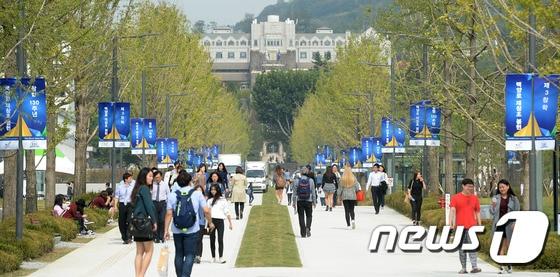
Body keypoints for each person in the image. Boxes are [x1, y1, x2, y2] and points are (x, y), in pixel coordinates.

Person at [164, 171, 214, 277]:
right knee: (190, 254)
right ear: (190, 182)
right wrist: (210, 222)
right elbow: (206, 211)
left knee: (179, 254)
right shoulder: (197, 194)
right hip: (192, 229)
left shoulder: (172, 195)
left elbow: (169, 214)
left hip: (177, 229)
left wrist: (165, 230)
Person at [450, 178, 482, 274]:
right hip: (460, 227)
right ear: (463, 186)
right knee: (462, 248)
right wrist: (451, 224)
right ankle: (463, 268)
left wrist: (480, 224)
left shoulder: (474, 198)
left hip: (472, 226)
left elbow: (477, 212)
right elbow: (452, 211)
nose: (470, 188)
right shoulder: (456, 197)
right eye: (468, 186)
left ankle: (474, 266)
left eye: (472, 187)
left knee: (473, 247)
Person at [130, 168, 157, 277]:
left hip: (136, 222)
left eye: (152, 176)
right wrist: (154, 221)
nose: (152, 178)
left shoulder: (137, 188)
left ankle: (137, 275)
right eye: (150, 176)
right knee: (149, 251)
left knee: (139, 252)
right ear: (144, 177)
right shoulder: (145, 189)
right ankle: (141, 275)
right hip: (144, 223)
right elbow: (149, 206)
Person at [490, 179, 520, 274]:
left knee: (507, 245)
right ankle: (502, 266)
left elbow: (517, 211)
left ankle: (509, 264)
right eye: (500, 187)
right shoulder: (496, 198)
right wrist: (493, 205)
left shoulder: (514, 199)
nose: (501, 189)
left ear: (508, 186)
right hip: (499, 225)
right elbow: (492, 212)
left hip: (509, 225)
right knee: (500, 246)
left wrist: (515, 223)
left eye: (503, 187)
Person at [207, 183, 233, 264]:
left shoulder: (223, 200)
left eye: (214, 190)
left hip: (220, 221)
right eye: (211, 190)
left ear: (218, 190)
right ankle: (213, 257)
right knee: (212, 239)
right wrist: (209, 222)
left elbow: (227, 212)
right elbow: (207, 212)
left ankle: (221, 257)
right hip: (212, 221)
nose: (213, 191)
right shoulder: (209, 200)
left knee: (220, 239)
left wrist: (230, 223)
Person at [292, 166, 317, 238]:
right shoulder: (311, 180)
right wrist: (314, 202)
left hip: (300, 201)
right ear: (307, 172)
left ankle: (303, 233)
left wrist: (294, 203)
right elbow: (313, 192)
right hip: (308, 201)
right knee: (309, 216)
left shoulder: (297, 180)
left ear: (301, 173)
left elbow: (294, 193)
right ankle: (308, 228)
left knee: (301, 216)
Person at [337, 164, 361, 230]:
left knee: (346, 211)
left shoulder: (342, 179)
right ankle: (353, 220)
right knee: (352, 210)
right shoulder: (354, 178)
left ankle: (348, 225)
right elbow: (357, 188)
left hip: (345, 196)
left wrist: (338, 196)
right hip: (352, 196)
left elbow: (340, 189)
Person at [115, 172, 135, 244]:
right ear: (126, 179)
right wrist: (115, 206)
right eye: (130, 178)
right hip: (122, 204)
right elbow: (117, 197)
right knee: (122, 221)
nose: (131, 179)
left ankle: (129, 237)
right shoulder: (120, 187)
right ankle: (124, 237)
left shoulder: (132, 187)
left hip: (130, 204)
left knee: (129, 221)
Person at [151, 170, 170, 243]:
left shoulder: (165, 184)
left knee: (162, 220)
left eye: (158, 177)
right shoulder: (152, 184)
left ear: (161, 177)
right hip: (154, 203)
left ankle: (162, 236)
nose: (157, 179)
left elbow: (168, 194)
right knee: (155, 220)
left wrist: (168, 204)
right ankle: (156, 237)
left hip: (162, 203)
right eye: (156, 177)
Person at [193, 184, 207, 264]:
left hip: (201, 222)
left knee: (199, 239)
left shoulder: (204, 199)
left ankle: (198, 256)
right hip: (193, 222)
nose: (198, 192)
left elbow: (207, 211)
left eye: (200, 190)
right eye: (197, 190)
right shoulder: (191, 199)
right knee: (193, 240)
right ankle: (193, 255)